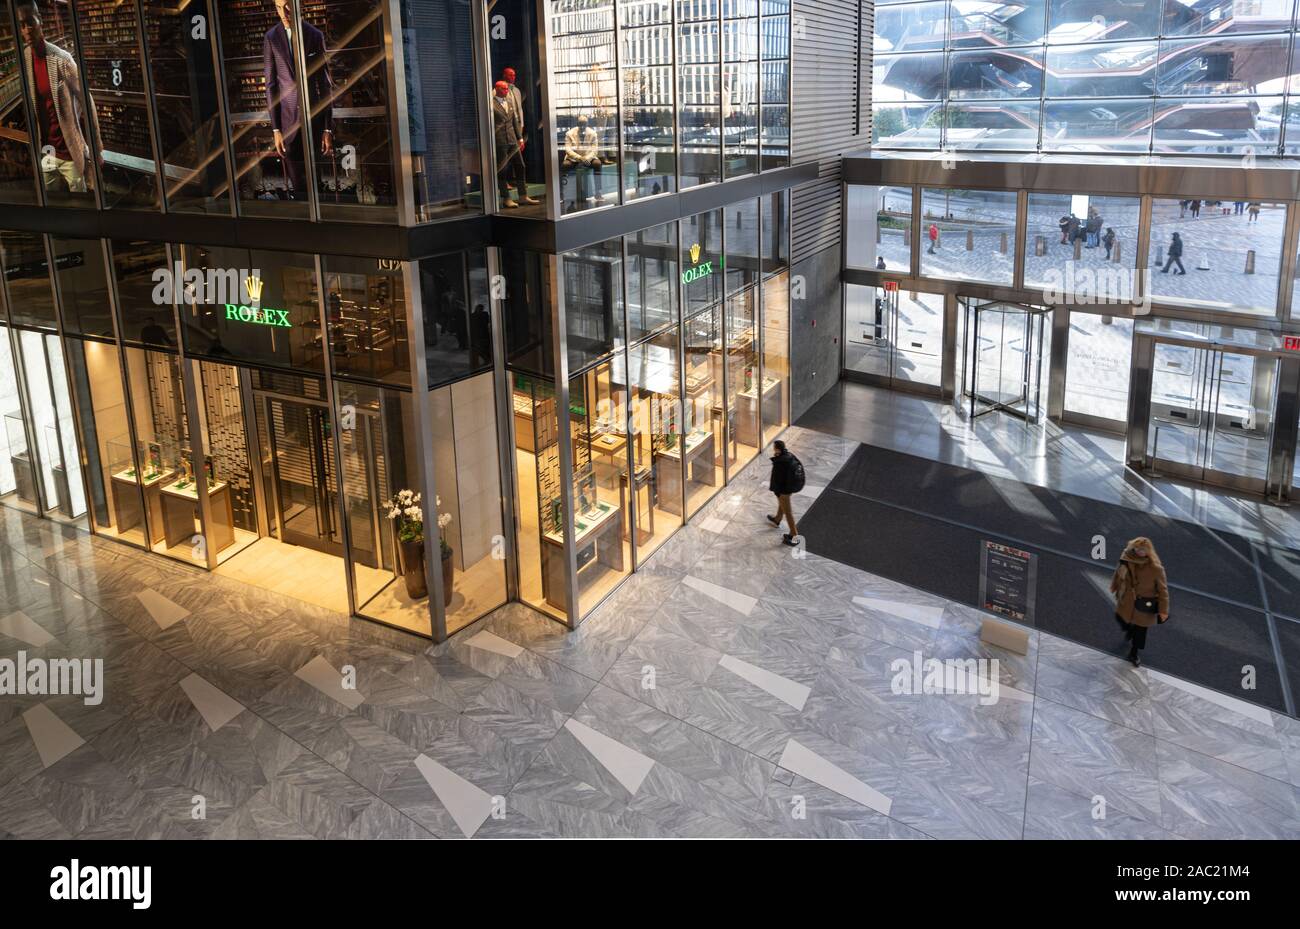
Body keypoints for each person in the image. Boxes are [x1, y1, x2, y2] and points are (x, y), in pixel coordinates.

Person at [17, 2, 95, 194]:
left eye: (30, 22)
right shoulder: (25, 58)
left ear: (40, 21)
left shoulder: (62, 58)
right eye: (21, 24)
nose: (26, 29)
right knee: (51, 199)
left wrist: (96, 148)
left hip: (70, 153)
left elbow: (87, 100)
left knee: (79, 201)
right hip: (47, 151)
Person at [263, 0, 333, 199]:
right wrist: (276, 129)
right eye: (278, 7)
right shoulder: (271, 38)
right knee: (298, 187)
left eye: (286, 6)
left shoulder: (315, 35)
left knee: (316, 185)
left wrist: (327, 128)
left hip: (315, 124)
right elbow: (270, 86)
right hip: (287, 126)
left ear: (297, 5)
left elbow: (326, 84)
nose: (283, 12)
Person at [1109, 536, 1169, 667]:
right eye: (1136, 548)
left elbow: (1163, 590)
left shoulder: (1156, 568)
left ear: (1148, 550)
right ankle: (1128, 629)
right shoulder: (1126, 557)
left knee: (1140, 631)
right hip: (1127, 599)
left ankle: (1134, 653)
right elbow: (1118, 573)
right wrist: (1114, 585)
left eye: (1142, 549)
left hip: (1145, 603)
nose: (1139, 551)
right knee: (1119, 617)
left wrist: (1163, 611)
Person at [493, 81, 537, 209]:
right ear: (497, 89)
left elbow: (514, 122)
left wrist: (520, 138)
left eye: (507, 88)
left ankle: (523, 196)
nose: (506, 90)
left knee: (520, 166)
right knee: (503, 170)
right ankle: (506, 198)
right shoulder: (491, 104)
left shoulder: (510, 102)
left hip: (512, 139)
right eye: (504, 88)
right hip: (500, 140)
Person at [765, 439, 803, 547]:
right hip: (789, 488)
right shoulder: (788, 455)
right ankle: (777, 518)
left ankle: (794, 534)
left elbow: (778, 479)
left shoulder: (780, 461)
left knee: (788, 512)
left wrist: (777, 490)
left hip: (784, 490)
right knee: (782, 505)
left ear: (777, 448)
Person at [563, 115, 602, 205]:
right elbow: (568, 150)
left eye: (584, 124)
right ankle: (562, 193)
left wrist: (586, 158)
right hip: (574, 158)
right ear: (577, 124)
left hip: (588, 157)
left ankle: (598, 192)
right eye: (580, 124)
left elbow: (595, 150)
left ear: (587, 124)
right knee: (565, 165)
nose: (582, 126)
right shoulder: (569, 133)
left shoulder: (593, 133)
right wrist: (579, 158)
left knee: (597, 163)